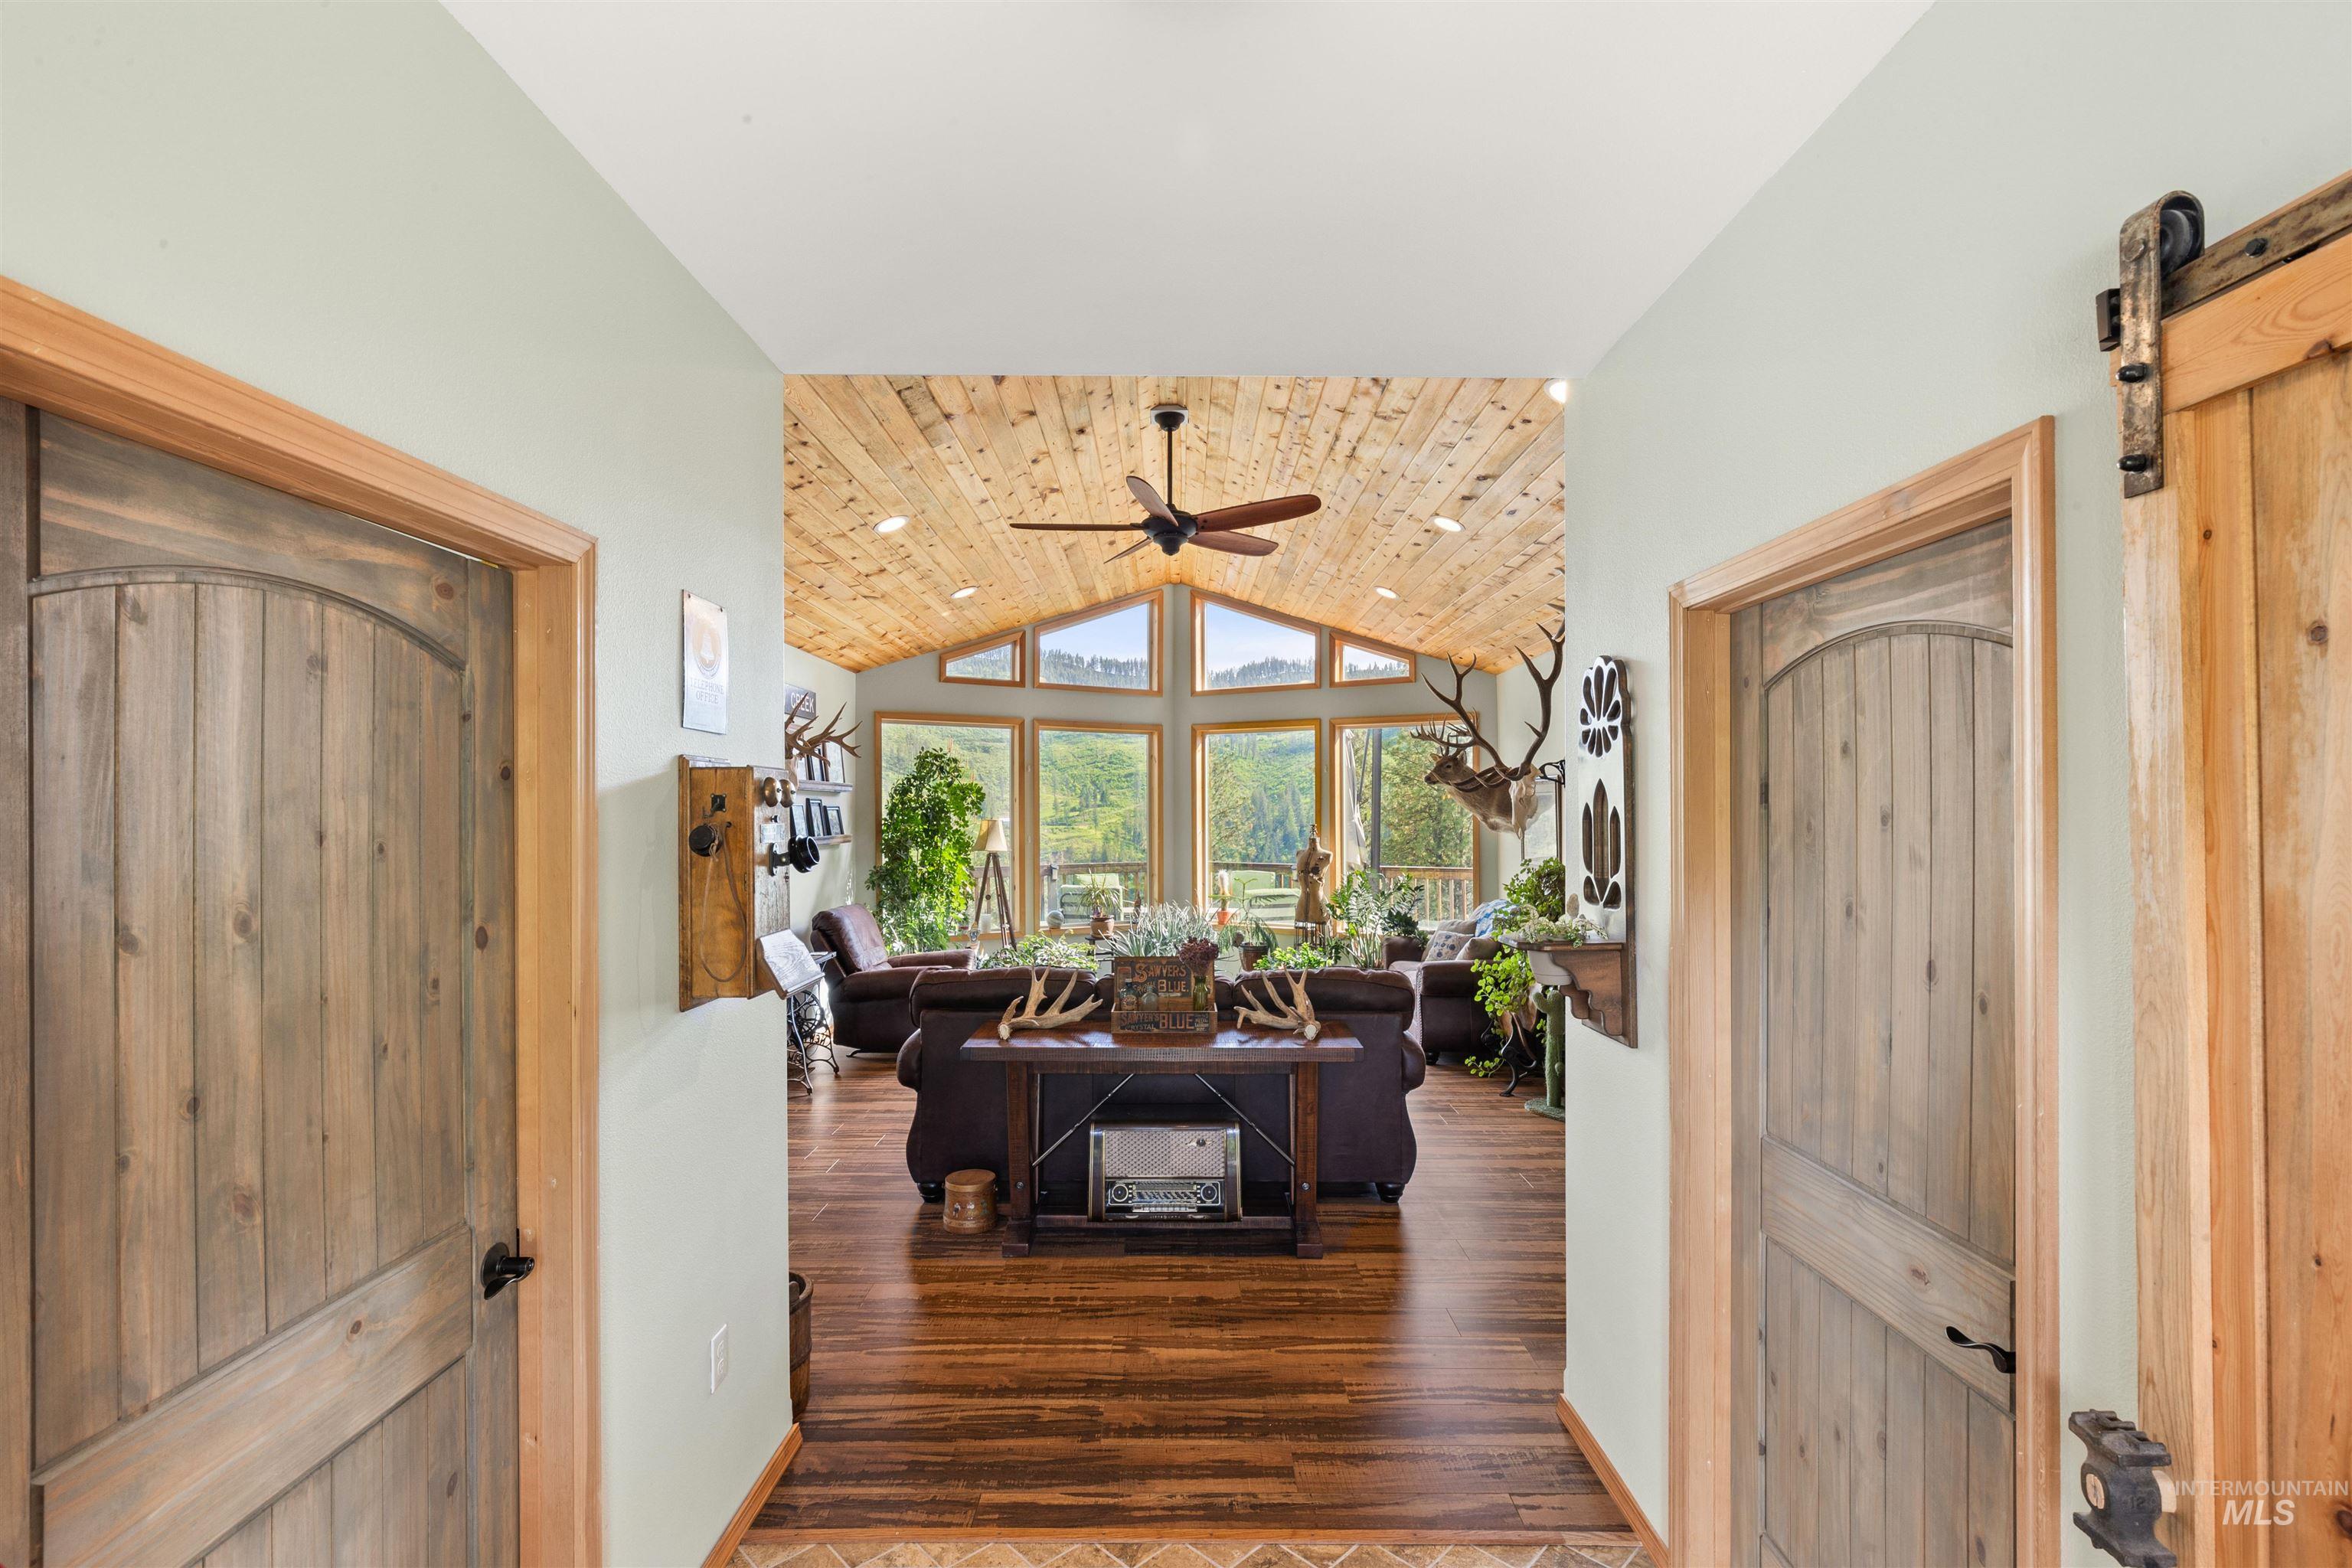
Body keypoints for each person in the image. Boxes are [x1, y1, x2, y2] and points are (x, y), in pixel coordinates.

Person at [1292, 828, 1332, 932]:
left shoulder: (1327, 855)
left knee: (1320, 938)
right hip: (1302, 903)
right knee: (1301, 942)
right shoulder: (1300, 854)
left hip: (1317, 903)